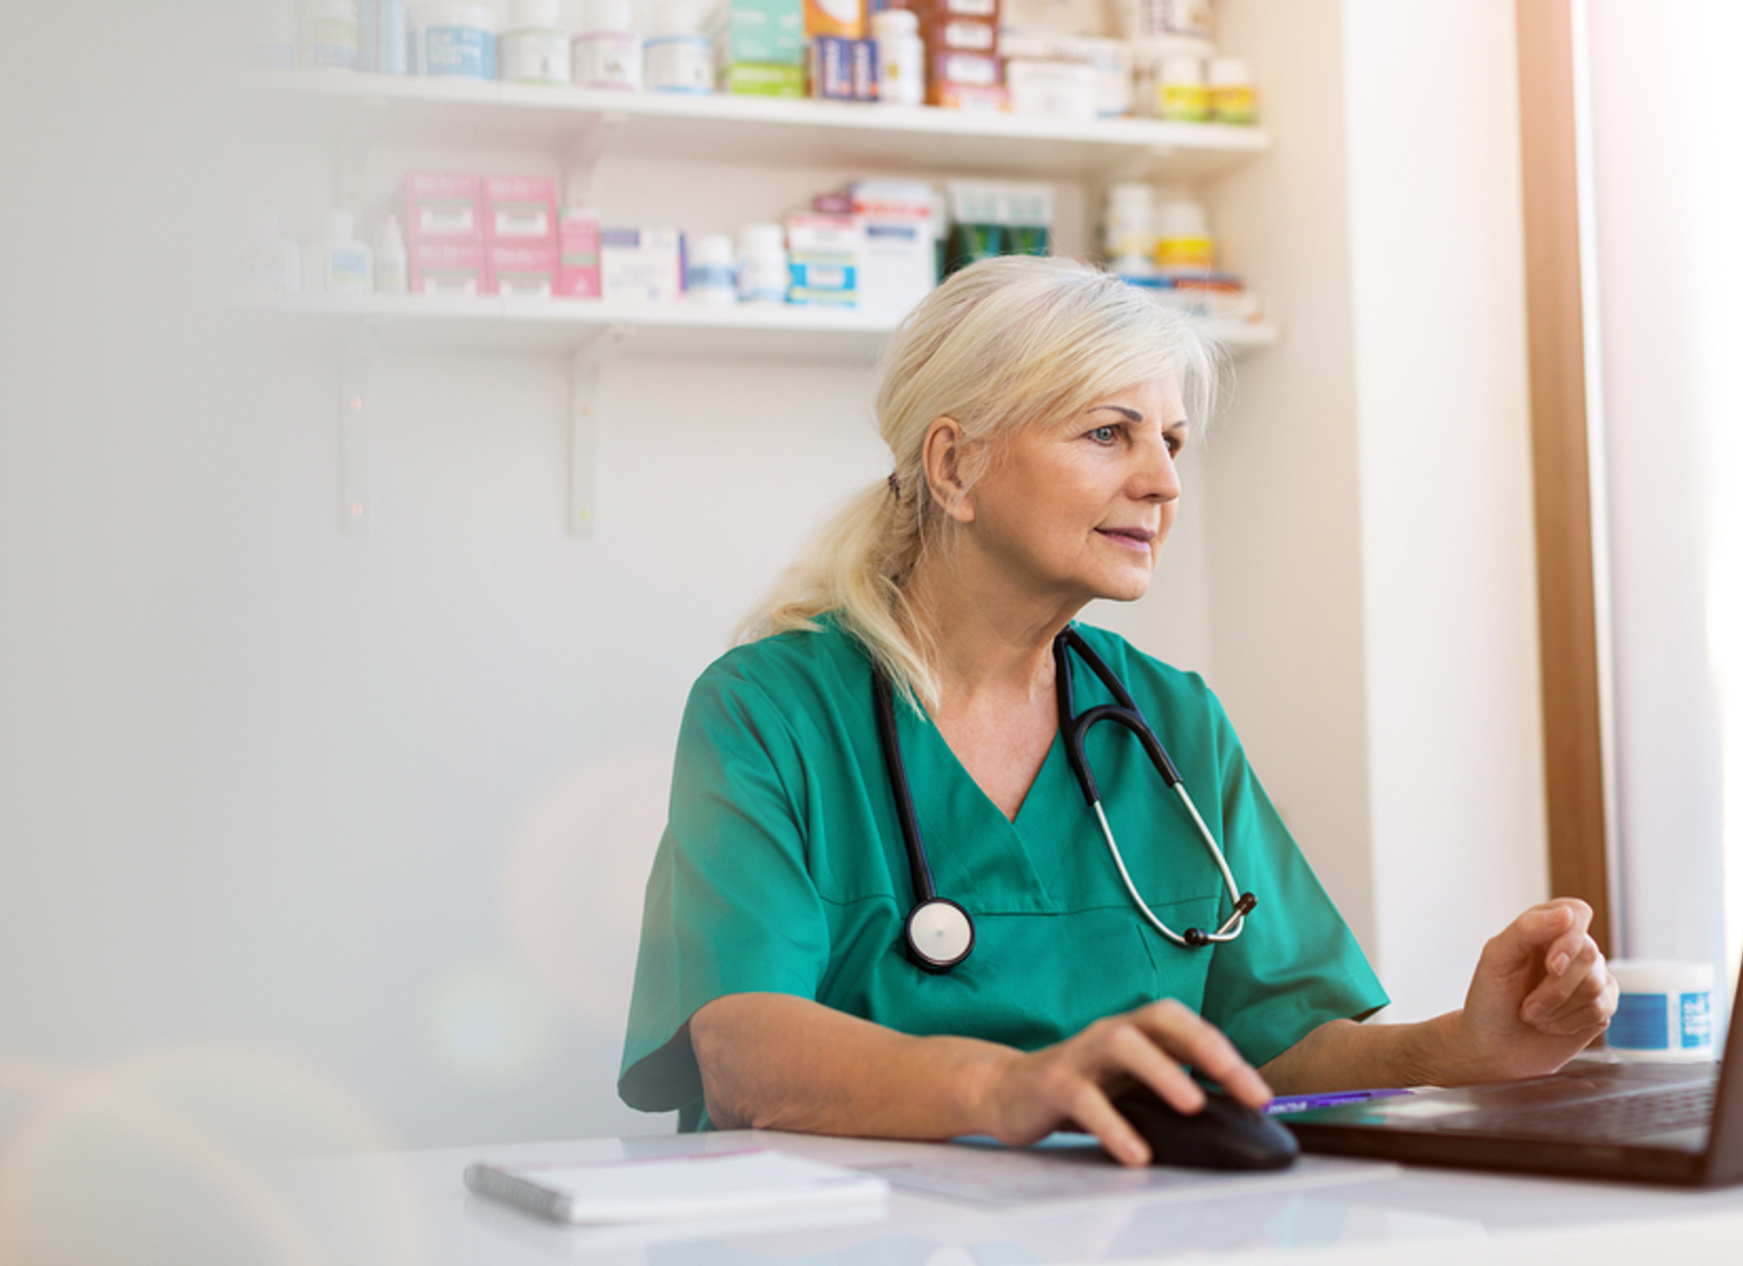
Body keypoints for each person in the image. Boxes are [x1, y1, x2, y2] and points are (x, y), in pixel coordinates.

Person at [617, 255, 1617, 1165]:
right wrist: (1014, 1085)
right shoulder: (768, 712)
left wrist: (1466, 1046)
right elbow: (743, 1052)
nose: (1164, 482)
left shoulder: (1170, 722)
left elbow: (1270, 1050)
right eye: (1108, 433)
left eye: (1171, 442)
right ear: (954, 465)